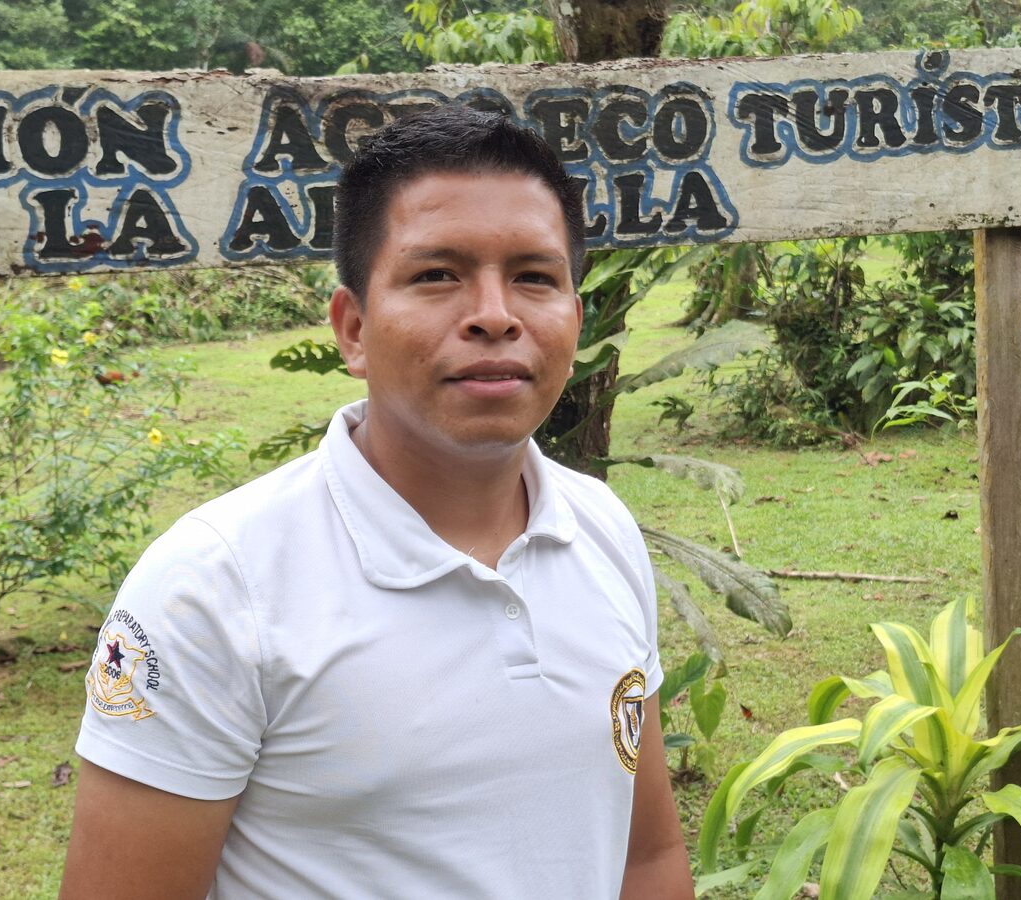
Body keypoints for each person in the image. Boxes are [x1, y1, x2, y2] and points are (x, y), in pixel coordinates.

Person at [60, 105, 694, 900]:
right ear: (353, 328)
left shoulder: (600, 528)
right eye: (437, 275)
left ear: (574, 311)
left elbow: (646, 857)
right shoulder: (217, 587)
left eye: (535, 276)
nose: (495, 315)